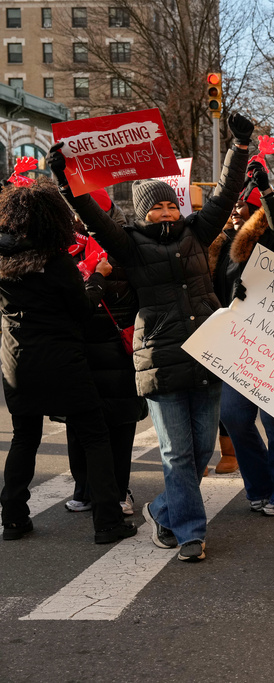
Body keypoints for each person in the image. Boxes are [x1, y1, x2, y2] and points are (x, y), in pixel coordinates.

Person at [47, 112, 254, 562]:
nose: (164, 212)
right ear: (142, 213)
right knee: (177, 453)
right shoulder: (129, 244)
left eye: (168, 205)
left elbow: (224, 196)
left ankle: (163, 509)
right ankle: (190, 534)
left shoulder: (197, 234)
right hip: (160, 359)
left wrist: (239, 147)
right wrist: (66, 181)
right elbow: (92, 216)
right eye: (155, 207)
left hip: (206, 355)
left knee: (201, 450)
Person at [0, 181, 136, 543]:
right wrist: (99, 281)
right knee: (94, 435)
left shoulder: (3, 262)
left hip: (16, 362)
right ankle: (108, 521)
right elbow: (81, 309)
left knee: (24, 437)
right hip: (63, 361)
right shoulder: (57, 262)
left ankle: (13, 517)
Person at [210, 161, 274, 516]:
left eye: (241, 205)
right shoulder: (219, 246)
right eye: (231, 205)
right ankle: (260, 485)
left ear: (256, 210)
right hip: (234, 346)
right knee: (234, 417)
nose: (234, 211)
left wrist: (267, 191)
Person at [63, 195, 147, 517]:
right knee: (79, 423)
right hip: (80, 351)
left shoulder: (127, 249)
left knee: (121, 425)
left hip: (119, 351)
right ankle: (83, 487)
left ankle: (119, 488)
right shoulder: (65, 249)